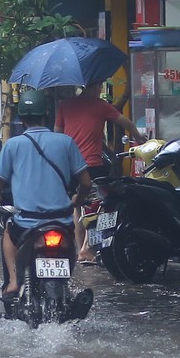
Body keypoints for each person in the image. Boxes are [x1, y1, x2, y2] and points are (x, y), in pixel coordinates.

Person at [0, 89, 93, 314]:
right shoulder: (66, 142)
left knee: (7, 230)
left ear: (21, 118)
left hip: (27, 223)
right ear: (47, 114)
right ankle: (67, 287)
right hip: (61, 221)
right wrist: (77, 200)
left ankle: (14, 282)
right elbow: (86, 183)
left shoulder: (13, 145)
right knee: (70, 244)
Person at [54, 80, 138, 260]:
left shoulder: (65, 106)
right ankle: (87, 247)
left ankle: (80, 251)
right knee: (98, 206)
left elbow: (57, 134)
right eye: (100, 86)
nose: (101, 90)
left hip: (69, 166)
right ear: (94, 87)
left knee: (77, 206)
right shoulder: (101, 106)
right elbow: (126, 123)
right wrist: (139, 138)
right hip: (91, 165)